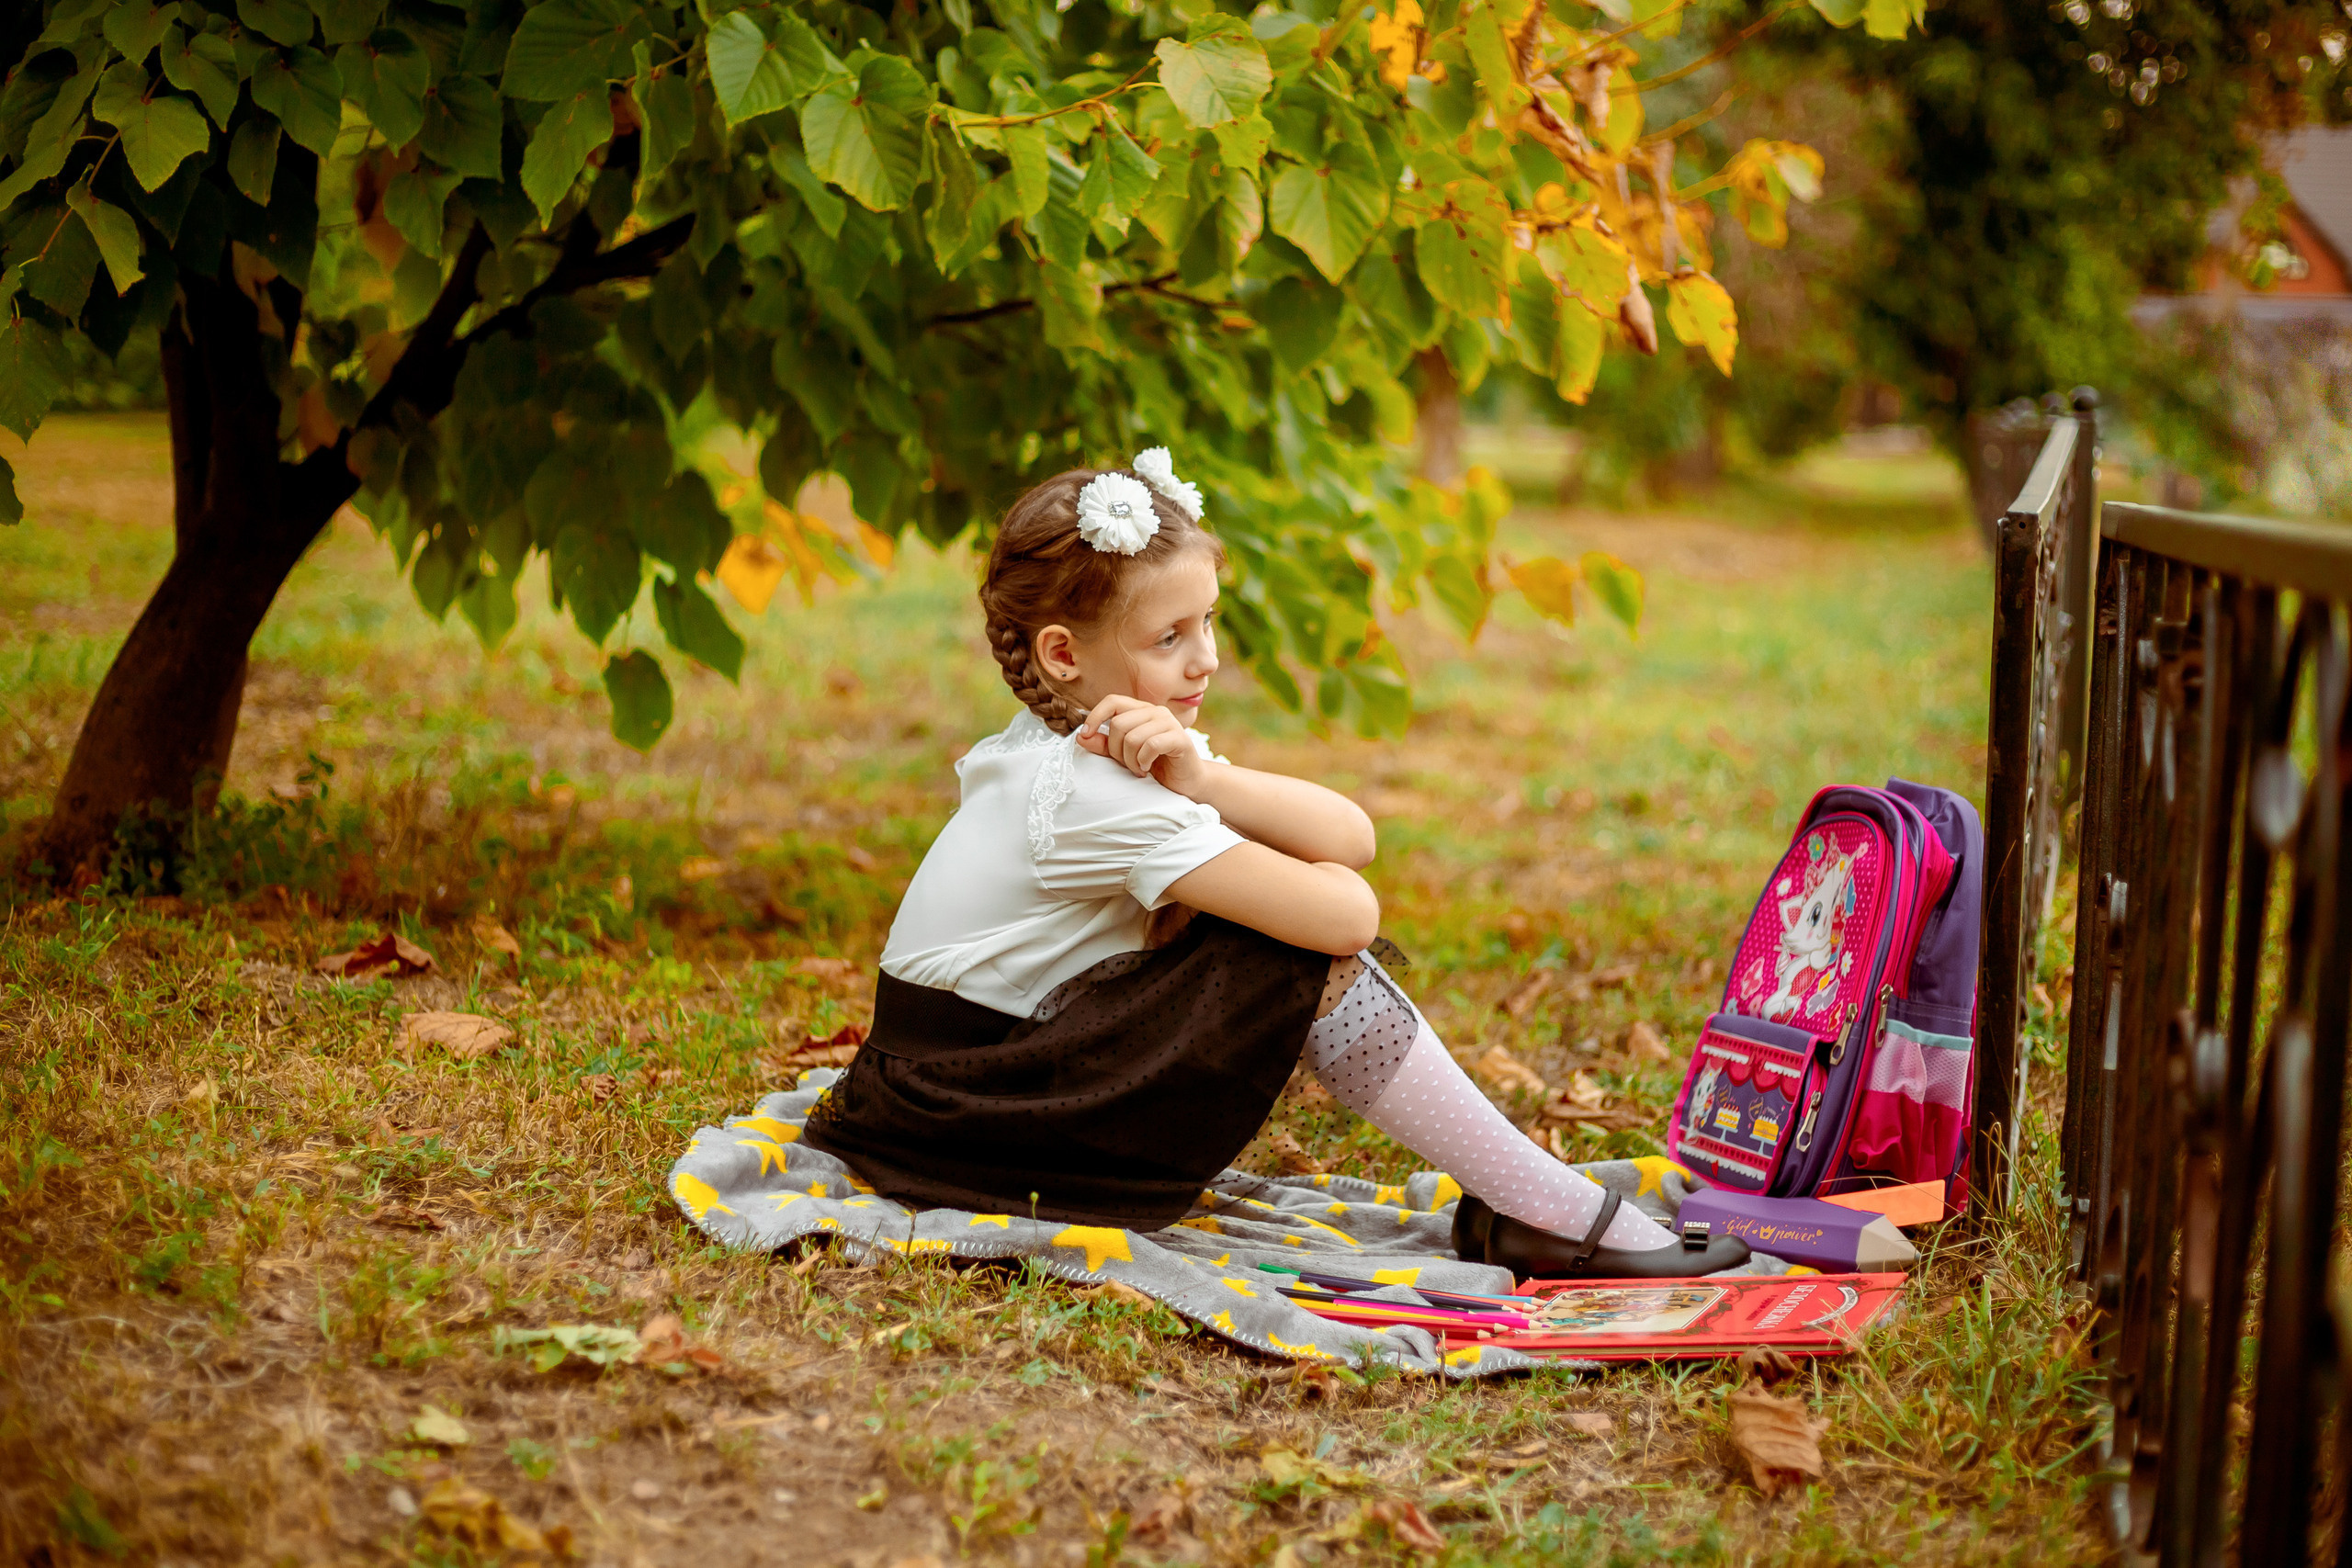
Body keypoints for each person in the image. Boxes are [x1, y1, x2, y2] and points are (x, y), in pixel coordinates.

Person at [800, 450, 1747, 1280]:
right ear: (1062, 653)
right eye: (1168, 639)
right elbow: (1346, 919)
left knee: (1264, 918)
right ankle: (1550, 1215)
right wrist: (1224, 812)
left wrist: (1206, 776)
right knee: (1295, 955)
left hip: (942, 1085)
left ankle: (1526, 1203)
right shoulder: (1090, 792)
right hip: (962, 1121)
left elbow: (1351, 835)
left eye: (1207, 623)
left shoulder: (1062, 748)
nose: (1203, 660)